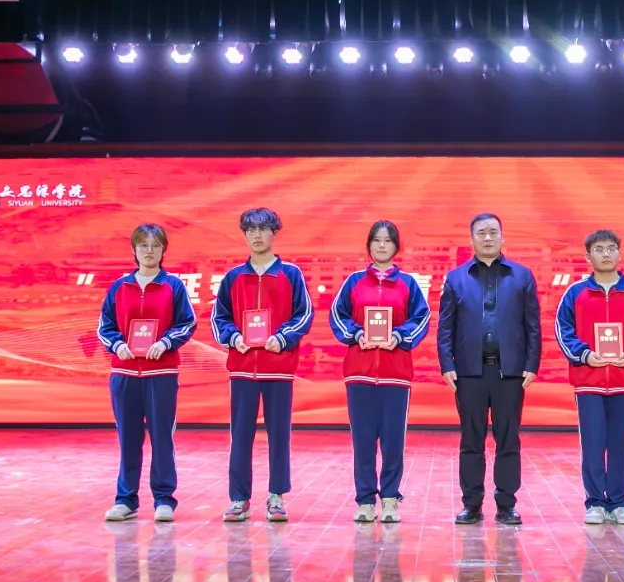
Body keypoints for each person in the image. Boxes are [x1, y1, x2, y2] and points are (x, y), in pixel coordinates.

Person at [438, 213, 542, 526]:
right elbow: (445, 327)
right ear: (471, 238)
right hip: (469, 372)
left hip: (509, 373)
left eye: (493, 232)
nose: (487, 238)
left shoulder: (521, 276)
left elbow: (532, 325)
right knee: (471, 440)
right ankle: (471, 504)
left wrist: (531, 364)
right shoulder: (456, 278)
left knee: (508, 440)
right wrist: (447, 364)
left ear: (502, 236)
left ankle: (506, 503)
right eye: (481, 232)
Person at [211, 207, 314, 522]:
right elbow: (219, 318)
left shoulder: (290, 274)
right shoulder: (233, 277)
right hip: (243, 369)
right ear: (244, 235)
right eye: (250, 230)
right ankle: (239, 499)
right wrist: (233, 338)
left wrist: (282, 338)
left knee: (279, 435)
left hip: (278, 369)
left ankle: (276, 497)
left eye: (263, 229)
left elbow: (304, 315)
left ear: (274, 233)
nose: (256, 235)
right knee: (240, 436)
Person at [329, 220, 431, 524]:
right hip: (359, 373)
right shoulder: (354, 282)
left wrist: (398, 336)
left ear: (396, 246)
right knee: (362, 440)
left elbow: (421, 319)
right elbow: (338, 315)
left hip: (395, 374)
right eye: (377, 240)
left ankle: (389, 499)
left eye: (388, 240)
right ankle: (365, 501)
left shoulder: (408, 284)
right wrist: (356, 333)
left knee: (392, 441)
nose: (382, 245)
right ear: (369, 246)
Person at [554, 229, 624, 526]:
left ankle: (619, 502)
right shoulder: (575, 293)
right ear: (588, 256)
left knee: (621, 445)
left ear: (619, 253)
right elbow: (563, 330)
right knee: (593, 443)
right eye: (599, 249)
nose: (606, 254)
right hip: (589, 380)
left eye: (611, 248)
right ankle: (596, 502)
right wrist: (584, 355)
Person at [98, 223, 197, 522]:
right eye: (143, 245)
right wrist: (117, 345)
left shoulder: (174, 286)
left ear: (163, 250)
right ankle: (125, 500)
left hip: (161, 374)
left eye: (155, 245)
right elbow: (105, 326)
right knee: (128, 439)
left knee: (162, 438)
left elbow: (187, 323)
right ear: (134, 250)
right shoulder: (119, 287)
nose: (149, 251)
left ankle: (164, 499)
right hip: (124, 375)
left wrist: (165, 342)